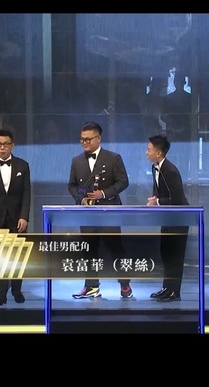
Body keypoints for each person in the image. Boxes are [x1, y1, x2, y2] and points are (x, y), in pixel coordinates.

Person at [68, 121, 132, 299]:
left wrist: (103, 193)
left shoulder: (113, 158)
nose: (84, 143)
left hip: (109, 212)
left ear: (98, 138)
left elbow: (123, 181)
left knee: (116, 248)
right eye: (82, 139)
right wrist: (81, 199)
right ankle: (91, 286)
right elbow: (72, 185)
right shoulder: (76, 161)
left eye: (88, 139)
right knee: (89, 250)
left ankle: (125, 284)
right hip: (87, 214)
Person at [0, 129, 31, 305]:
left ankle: (17, 290)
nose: (2, 147)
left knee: (18, 257)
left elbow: (26, 194)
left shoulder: (23, 166)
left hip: (17, 218)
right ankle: (0, 294)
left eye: (6, 144)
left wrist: (24, 216)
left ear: (12, 146)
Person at [146, 133, 190, 302]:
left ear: (159, 153)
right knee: (166, 253)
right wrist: (154, 198)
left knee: (175, 256)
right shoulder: (155, 167)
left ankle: (174, 291)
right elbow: (159, 189)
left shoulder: (170, 171)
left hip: (179, 219)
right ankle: (166, 288)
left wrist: (157, 202)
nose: (147, 152)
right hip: (167, 218)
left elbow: (176, 199)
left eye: (149, 149)